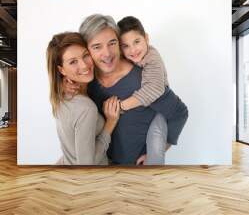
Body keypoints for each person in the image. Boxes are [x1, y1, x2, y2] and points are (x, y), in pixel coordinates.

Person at [79, 14, 165, 165]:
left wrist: (156, 153)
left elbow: (174, 112)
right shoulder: (88, 83)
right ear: (86, 51)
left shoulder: (144, 78)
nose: (107, 53)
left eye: (112, 43)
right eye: (97, 46)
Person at [116, 16, 189, 164]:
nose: (133, 50)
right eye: (126, 46)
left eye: (137, 42)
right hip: (156, 109)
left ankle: (154, 177)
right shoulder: (129, 59)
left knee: (156, 145)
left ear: (146, 38)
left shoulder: (152, 58)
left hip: (166, 112)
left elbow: (153, 89)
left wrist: (122, 106)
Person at [46, 32, 120, 165]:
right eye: (73, 62)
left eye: (85, 55)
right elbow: (87, 164)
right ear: (61, 70)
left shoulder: (60, 96)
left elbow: (71, 151)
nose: (84, 65)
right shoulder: (86, 108)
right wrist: (110, 123)